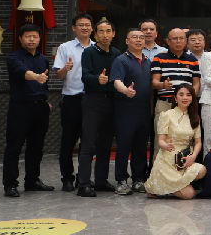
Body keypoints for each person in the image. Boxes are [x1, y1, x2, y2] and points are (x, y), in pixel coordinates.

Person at [2, 24, 54, 198]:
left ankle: (32, 181)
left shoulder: (43, 59)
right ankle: (10, 184)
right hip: (20, 107)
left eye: (35, 36)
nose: (31, 39)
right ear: (20, 38)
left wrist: (45, 101)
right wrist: (36, 77)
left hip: (40, 108)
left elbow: (45, 83)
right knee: (14, 146)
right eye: (27, 36)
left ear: (39, 39)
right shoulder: (14, 58)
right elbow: (23, 73)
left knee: (36, 147)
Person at [76, 20, 121, 197]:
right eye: (101, 31)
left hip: (111, 102)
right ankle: (84, 184)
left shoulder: (117, 53)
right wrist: (97, 79)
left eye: (108, 31)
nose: (105, 35)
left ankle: (101, 181)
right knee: (88, 143)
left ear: (113, 34)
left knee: (106, 143)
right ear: (95, 35)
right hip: (93, 101)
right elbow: (85, 76)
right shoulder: (89, 52)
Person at [52, 13, 93, 192]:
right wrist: (65, 69)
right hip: (71, 100)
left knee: (88, 142)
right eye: (80, 25)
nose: (84, 28)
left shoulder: (97, 48)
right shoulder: (65, 47)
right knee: (68, 141)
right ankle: (67, 178)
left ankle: (83, 178)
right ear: (74, 28)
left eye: (87, 25)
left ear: (92, 28)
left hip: (92, 100)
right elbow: (59, 75)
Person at [144, 83, 206, 199]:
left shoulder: (195, 118)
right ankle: (159, 184)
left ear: (192, 98)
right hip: (167, 160)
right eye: (181, 95)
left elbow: (198, 142)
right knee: (189, 194)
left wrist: (193, 156)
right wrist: (166, 146)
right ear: (175, 98)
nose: (185, 98)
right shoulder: (166, 115)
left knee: (202, 170)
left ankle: (167, 186)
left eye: (188, 95)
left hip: (185, 160)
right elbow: (161, 141)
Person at [111, 28, 152, 195]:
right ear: (127, 41)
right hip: (126, 110)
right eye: (134, 37)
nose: (139, 40)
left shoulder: (148, 61)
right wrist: (125, 90)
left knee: (141, 147)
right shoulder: (121, 60)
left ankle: (138, 179)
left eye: (141, 37)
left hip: (144, 110)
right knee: (124, 146)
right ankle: (121, 181)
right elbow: (116, 81)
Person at [151, 28, 201, 155]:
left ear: (185, 41)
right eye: (175, 38)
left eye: (181, 38)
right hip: (165, 104)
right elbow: (154, 82)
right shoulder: (159, 58)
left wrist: (191, 99)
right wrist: (163, 85)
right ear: (168, 41)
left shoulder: (192, 60)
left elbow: (196, 83)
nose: (178, 41)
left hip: (185, 107)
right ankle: (159, 167)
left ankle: (182, 165)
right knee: (161, 141)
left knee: (185, 140)